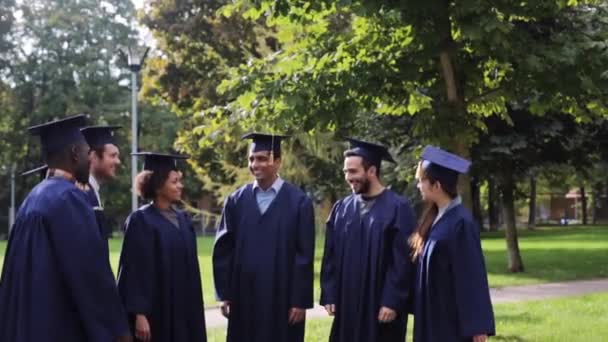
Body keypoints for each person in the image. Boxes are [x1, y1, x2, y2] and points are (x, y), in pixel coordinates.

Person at [0, 115, 131, 342]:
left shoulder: (33, 198)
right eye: (86, 151)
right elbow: (91, 275)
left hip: (30, 324)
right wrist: (118, 330)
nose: (89, 158)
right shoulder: (69, 199)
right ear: (74, 153)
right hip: (59, 325)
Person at [213, 133, 316, 342]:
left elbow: (304, 255)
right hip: (244, 295)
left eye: (262, 158)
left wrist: (299, 300)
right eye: (252, 159)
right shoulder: (236, 201)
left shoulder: (299, 203)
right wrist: (224, 294)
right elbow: (224, 250)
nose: (255, 164)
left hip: (283, 296)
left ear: (278, 161)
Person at [320, 138, 416, 342]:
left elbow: (402, 261)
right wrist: (329, 293)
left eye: (353, 172)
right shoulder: (341, 208)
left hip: (380, 305)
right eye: (346, 172)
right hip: (348, 303)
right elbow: (331, 256)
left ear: (371, 171)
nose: (348, 177)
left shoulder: (398, 208)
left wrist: (392, 300)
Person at [117, 152, 207, 342]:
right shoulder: (141, 221)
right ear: (158, 185)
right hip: (157, 312)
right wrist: (139, 314)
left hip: (185, 310)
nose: (180, 186)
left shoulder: (184, 220)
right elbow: (133, 270)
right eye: (174, 182)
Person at [410, 146, 495, 342]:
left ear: (436, 185)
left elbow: (471, 276)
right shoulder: (435, 219)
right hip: (433, 318)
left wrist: (478, 327)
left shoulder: (461, 223)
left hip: (450, 324)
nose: (418, 186)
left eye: (421, 181)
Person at [81, 125, 122, 241]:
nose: (118, 162)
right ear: (93, 157)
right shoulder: (82, 194)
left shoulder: (92, 191)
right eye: (113, 155)